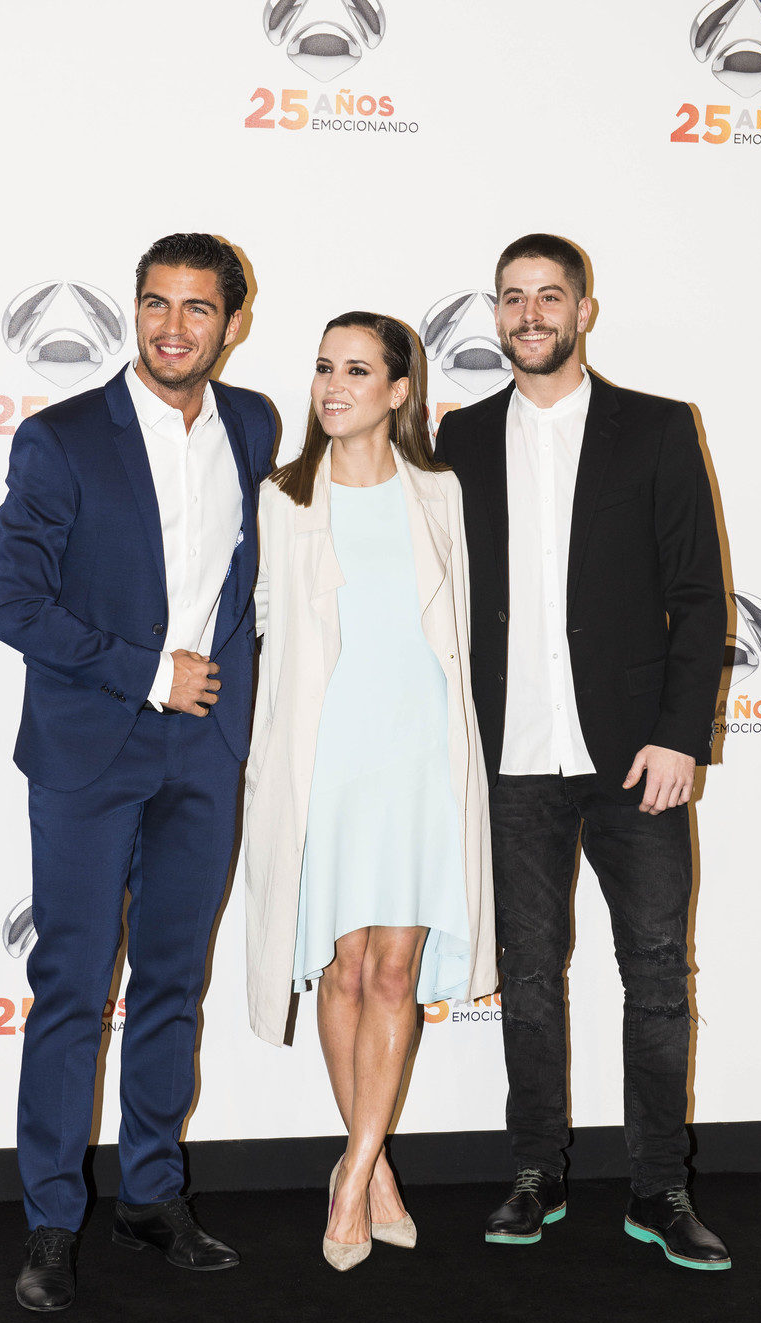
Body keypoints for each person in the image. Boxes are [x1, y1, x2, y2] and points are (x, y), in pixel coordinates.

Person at [0, 233, 276, 1311]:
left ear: (231, 322)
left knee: (171, 981)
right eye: (155, 303)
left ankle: (152, 1195)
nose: (171, 327)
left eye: (196, 308)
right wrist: (150, 673)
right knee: (71, 985)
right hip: (89, 746)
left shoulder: (253, 424)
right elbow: (10, 603)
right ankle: (52, 1218)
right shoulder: (61, 437)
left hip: (204, 747)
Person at [435, 234, 731, 1272]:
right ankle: (535, 1171)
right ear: (496, 313)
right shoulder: (460, 437)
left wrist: (680, 735)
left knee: (655, 975)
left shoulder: (654, 427)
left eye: (548, 296)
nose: (529, 314)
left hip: (635, 760)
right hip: (511, 760)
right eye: (512, 298)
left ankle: (659, 1186)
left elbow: (699, 597)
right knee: (526, 977)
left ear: (582, 311)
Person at [244, 311, 497, 1270]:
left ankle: (350, 1176)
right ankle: (374, 1166)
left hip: (422, 758)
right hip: (327, 761)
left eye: (357, 370)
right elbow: (261, 627)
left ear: (399, 391)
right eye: (323, 368)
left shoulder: (441, 493)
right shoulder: (283, 497)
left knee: (397, 971)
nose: (333, 386)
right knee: (344, 970)